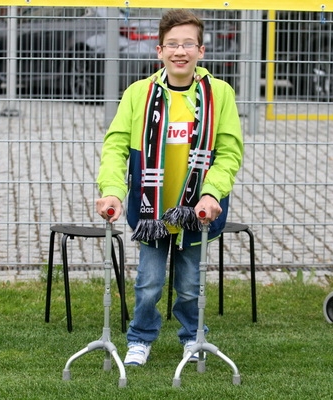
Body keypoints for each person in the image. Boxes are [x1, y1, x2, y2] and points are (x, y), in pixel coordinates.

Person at [95, 9, 243, 366]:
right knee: (148, 284)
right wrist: (113, 189)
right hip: (152, 213)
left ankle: (193, 337)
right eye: (172, 44)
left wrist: (212, 192)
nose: (180, 51)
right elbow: (115, 147)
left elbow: (229, 151)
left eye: (188, 44)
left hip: (196, 212)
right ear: (159, 51)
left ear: (201, 51)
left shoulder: (219, 95)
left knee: (191, 285)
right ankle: (140, 339)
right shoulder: (138, 94)